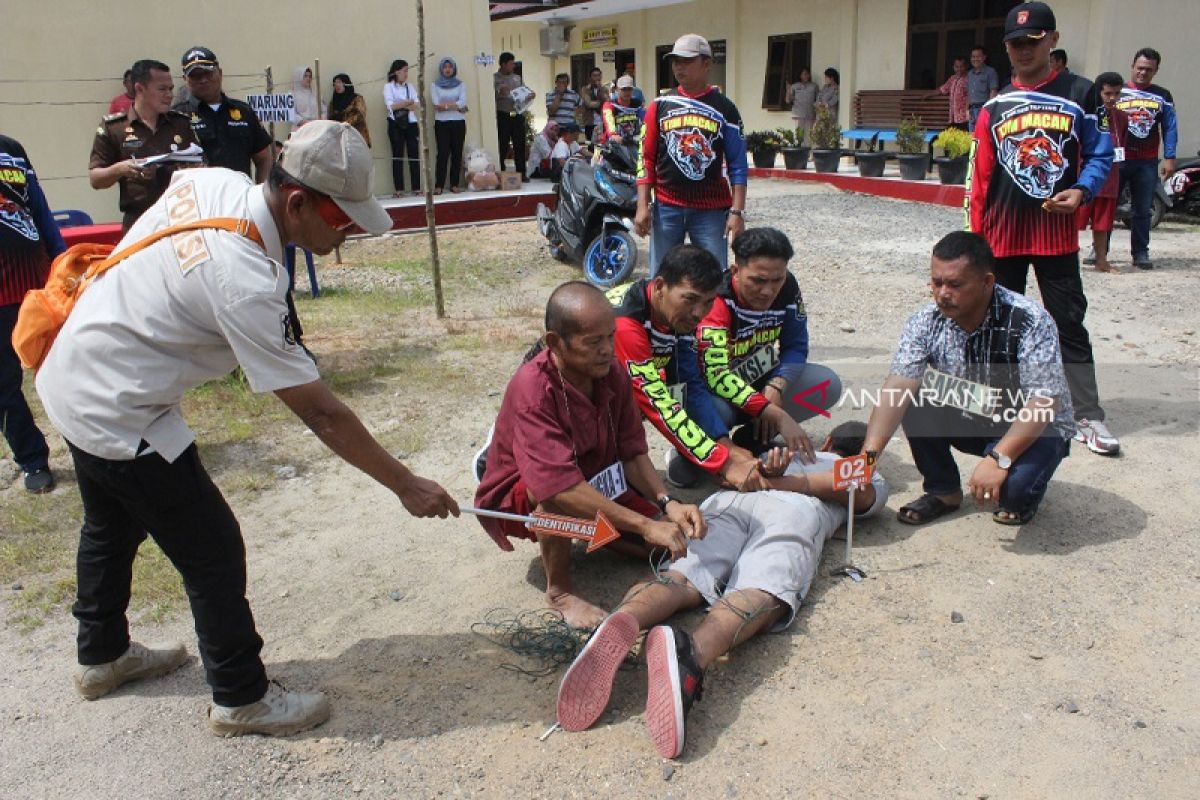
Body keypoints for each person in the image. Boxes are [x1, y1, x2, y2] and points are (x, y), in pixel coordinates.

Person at [37, 120, 459, 737]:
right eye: (341, 223)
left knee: (110, 522)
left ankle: (101, 656)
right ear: (296, 201)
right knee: (212, 549)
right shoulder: (244, 281)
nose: (343, 241)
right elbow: (320, 411)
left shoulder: (215, 181)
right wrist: (405, 483)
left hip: (76, 367)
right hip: (116, 404)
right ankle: (241, 697)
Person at [555, 422, 888, 758]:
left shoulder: (783, 453)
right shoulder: (863, 471)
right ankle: (692, 654)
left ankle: (625, 618)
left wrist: (768, 473)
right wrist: (785, 477)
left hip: (729, 503)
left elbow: (728, 473)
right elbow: (862, 493)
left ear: (828, 439)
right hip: (795, 513)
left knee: (683, 574)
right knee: (762, 586)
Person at [474, 282, 705, 630]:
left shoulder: (612, 371)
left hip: (595, 477)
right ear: (555, 343)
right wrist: (644, 523)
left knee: (666, 546)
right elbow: (557, 489)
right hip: (526, 494)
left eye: (610, 337)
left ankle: (593, 529)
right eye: (593, 342)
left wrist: (668, 502)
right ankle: (560, 591)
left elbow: (633, 453)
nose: (606, 350)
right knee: (553, 496)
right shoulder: (534, 389)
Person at [965, 1, 1116, 457]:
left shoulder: (1084, 93)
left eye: (1032, 42)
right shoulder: (993, 106)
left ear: (1053, 40)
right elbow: (979, 178)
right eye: (1014, 44)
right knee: (997, 325)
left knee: (1068, 322)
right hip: (1001, 236)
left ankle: (1087, 414)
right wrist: (975, 242)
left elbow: (1102, 153)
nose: (1023, 51)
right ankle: (1002, 411)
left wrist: (1084, 191)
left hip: (1055, 237)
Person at [861, 231, 1074, 527]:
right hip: (976, 406)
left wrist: (999, 458)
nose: (942, 293)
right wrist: (866, 461)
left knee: (1013, 493)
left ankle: (1019, 487)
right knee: (913, 395)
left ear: (987, 282)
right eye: (936, 283)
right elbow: (898, 386)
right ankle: (943, 491)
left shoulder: (1029, 320)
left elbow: (1044, 402)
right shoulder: (925, 320)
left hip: (1035, 422)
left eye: (955, 284)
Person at [609, 244, 766, 492]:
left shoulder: (677, 314)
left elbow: (690, 385)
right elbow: (658, 404)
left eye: (708, 303)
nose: (698, 313)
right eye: (691, 299)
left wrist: (727, 446)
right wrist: (724, 463)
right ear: (660, 286)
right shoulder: (627, 323)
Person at [695, 227, 841, 461]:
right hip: (717, 391)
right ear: (736, 271)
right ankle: (706, 447)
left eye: (777, 280)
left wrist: (776, 387)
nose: (768, 291)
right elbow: (716, 376)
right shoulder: (716, 301)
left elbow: (795, 346)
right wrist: (769, 410)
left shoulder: (788, 288)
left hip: (759, 380)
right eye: (758, 280)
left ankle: (753, 438)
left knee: (827, 383)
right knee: (714, 413)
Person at [634, 34, 748, 275]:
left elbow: (738, 164)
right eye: (676, 61)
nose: (679, 67)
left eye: (686, 61)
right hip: (666, 208)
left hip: (711, 211)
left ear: (706, 64)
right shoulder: (659, 105)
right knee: (662, 279)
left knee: (713, 277)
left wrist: (737, 212)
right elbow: (645, 158)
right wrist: (642, 205)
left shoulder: (725, 109)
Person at [0, 134, 66, 494]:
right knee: (3, 386)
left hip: (35, 285)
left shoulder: (11, 150)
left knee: (63, 367)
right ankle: (32, 459)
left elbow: (39, 208)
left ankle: (84, 442)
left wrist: (59, 260)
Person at [90, 59, 198, 231]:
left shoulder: (180, 124)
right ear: (140, 88)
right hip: (139, 223)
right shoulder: (115, 127)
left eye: (170, 89)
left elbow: (202, 164)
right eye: (162, 89)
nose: (169, 95)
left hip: (180, 218)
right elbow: (95, 179)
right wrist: (121, 169)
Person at [1115, 47, 1178, 270]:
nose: (1143, 73)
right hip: (1118, 159)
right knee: (1106, 205)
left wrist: (1170, 157)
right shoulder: (1116, 91)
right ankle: (1099, 248)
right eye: (1140, 68)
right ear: (1132, 66)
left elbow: (1170, 127)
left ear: (1156, 71)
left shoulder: (1163, 95)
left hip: (1147, 160)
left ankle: (1140, 252)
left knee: (1142, 208)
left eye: (1148, 70)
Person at [176, 47, 274, 182]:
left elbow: (264, 159)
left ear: (220, 73)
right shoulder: (178, 116)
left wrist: (261, 193)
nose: (203, 80)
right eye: (196, 76)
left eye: (208, 73)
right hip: (200, 198)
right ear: (185, 79)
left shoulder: (244, 112)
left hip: (239, 197)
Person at [1079, 72, 1128, 274]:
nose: (1112, 98)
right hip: (1086, 177)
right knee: (1073, 221)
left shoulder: (1122, 118)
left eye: (1117, 94)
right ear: (1099, 92)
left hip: (1110, 178)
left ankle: (1101, 260)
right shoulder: (1086, 115)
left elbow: (1122, 143)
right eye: (1108, 93)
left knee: (1103, 223)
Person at [494, 52, 534, 181]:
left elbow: (525, 90)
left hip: (517, 114)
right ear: (503, 64)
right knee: (503, 143)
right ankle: (501, 172)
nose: (513, 66)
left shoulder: (517, 78)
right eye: (511, 64)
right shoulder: (495, 78)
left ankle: (521, 173)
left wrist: (530, 95)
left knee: (519, 144)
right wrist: (500, 92)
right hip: (503, 114)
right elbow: (491, 96)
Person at [431, 57, 467, 194]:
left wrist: (445, 106)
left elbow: (463, 102)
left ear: (454, 69)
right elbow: (436, 105)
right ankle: (439, 185)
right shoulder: (435, 85)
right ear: (441, 69)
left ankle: (454, 184)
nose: (447, 69)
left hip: (458, 122)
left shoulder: (461, 84)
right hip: (441, 123)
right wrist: (454, 105)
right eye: (445, 67)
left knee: (457, 153)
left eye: (450, 67)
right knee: (442, 154)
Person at [384, 59, 420, 196]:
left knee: (414, 155)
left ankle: (416, 188)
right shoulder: (389, 87)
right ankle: (399, 189)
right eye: (404, 70)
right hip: (395, 124)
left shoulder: (409, 86)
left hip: (411, 123)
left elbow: (416, 104)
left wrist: (402, 103)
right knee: (397, 156)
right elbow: (391, 106)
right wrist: (407, 102)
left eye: (407, 70)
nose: (406, 73)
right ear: (396, 71)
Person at [327, 74, 370, 147]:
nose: (337, 85)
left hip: (356, 136)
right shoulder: (334, 102)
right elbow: (330, 117)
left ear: (346, 83)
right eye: (335, 83)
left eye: (339, 82)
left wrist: (345, 124)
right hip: (340, 138)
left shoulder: (357, 98)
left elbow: (360, 115)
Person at [600, 75, 645, 145]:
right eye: (624, 89)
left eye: (629, 89)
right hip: (612, 144)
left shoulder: (637, 104)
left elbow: (645, 120)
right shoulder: (609, 105)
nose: (627, 92)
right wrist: (613, 134)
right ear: (617, 90)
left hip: (633, 142)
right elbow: (608, 120)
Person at [967, 46, 1000, 132]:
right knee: (972, 137)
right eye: (973, 57)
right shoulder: (970, 74)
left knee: (982, 135)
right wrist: (967, 110)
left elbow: (993, 92)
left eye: (978, 56)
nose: (975, 59)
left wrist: (987, 110)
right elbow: (969, 93)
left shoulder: (990, 72)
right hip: (972, 110)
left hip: (983, 109)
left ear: (984, 57)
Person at [934, 57, 970, 130]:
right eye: (957, 67)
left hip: (964, 118)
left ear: (966, 67)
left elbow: (970, 96)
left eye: (961, 66)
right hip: (953, 117)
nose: (959, 69)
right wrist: (927, 95)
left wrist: (967, 111)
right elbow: (942, 89)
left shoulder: (969, 78)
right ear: (953, 67)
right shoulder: (952, 78)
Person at [784, 68, 817, 141]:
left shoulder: (814, 86)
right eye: (804, 74)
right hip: (798, 114)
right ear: (800, 76)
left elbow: (817, 99)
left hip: (810, 114)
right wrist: (788, 90)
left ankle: (808, 151)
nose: (805, 76)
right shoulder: (795, 86)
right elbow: (788, 100)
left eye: (807, 74)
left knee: (809, 136)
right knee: (799, 137)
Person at [581, 67, 609, 143]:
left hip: (602, 121)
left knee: (603, 145)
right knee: (591, 145)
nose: (597, 78)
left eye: (598, 75)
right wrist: (601, 103)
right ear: (590, 77)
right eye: (594, 75)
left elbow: (607, 102)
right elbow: (589, 104)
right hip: (590, 121)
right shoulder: (585, 89)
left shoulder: (605, 89)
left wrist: (601, 89)